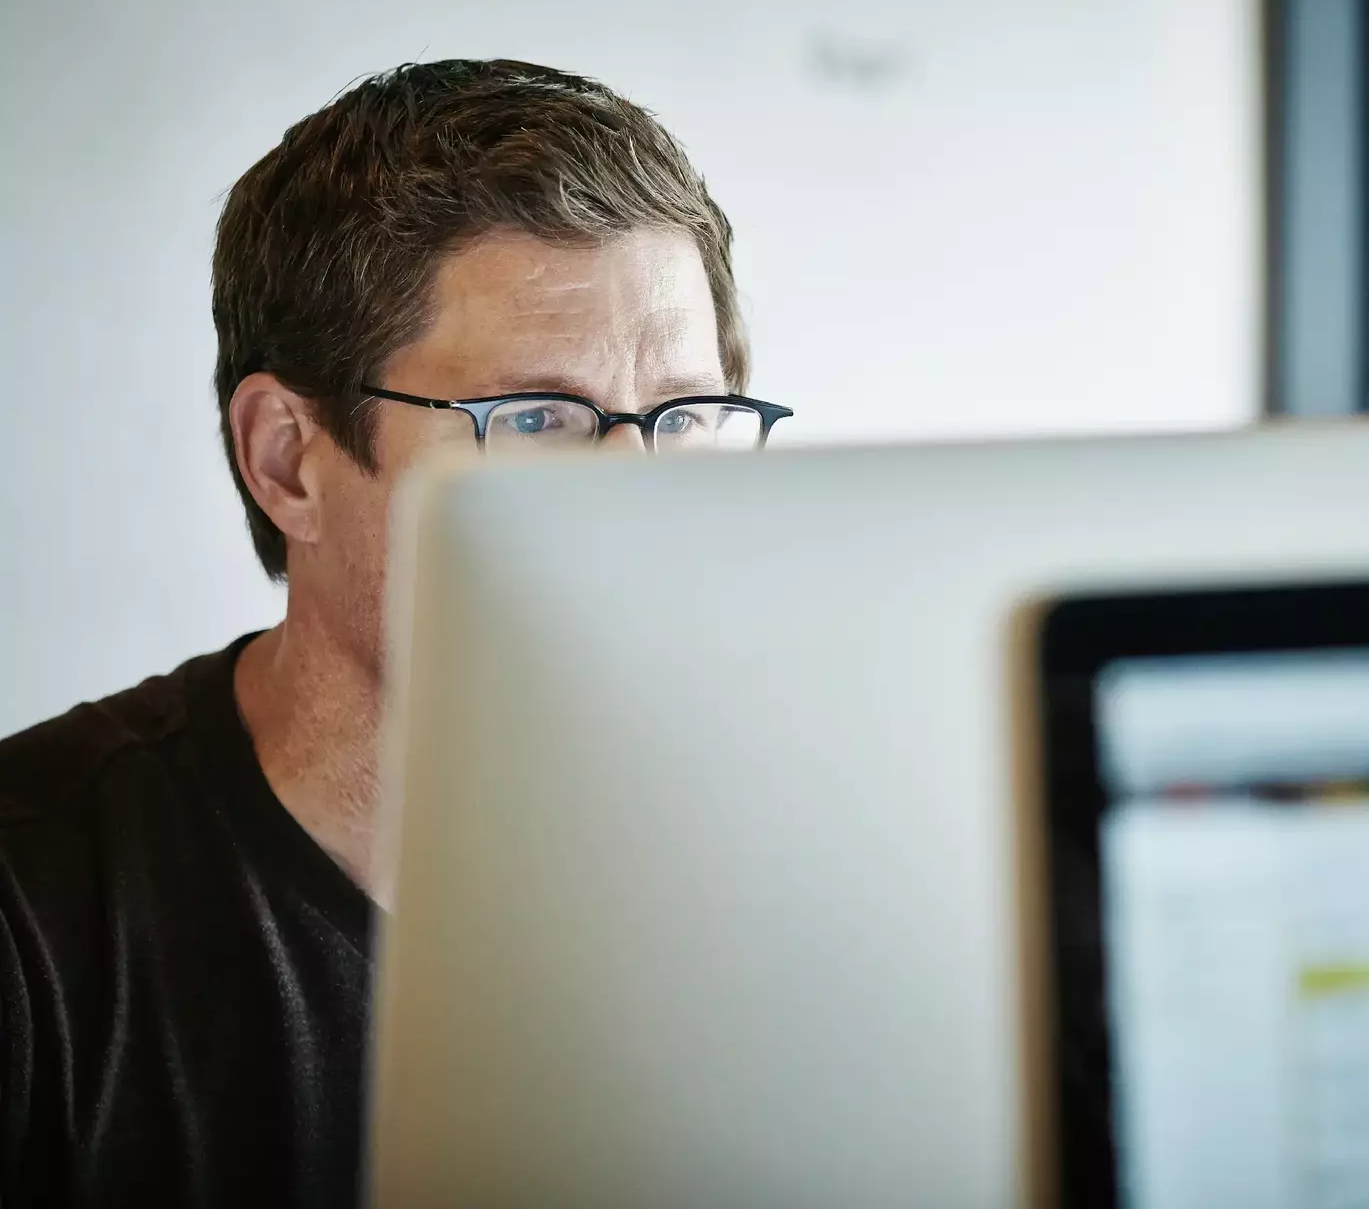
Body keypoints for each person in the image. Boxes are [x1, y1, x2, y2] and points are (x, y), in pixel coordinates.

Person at [0, 60, 789, 1207]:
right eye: (534, 418)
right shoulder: (36, 913)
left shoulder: (834, 869)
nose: (641, 501)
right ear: (289, 460)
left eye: (681, 416)